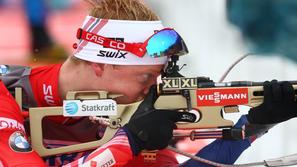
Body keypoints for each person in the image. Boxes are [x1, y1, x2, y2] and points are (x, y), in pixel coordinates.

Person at [0, 0, 297, 167]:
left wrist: (254, 124)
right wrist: (129, 141)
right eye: (145, 77)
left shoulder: (125, 117)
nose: (153, 88)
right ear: (101, 64)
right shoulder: (7, 92)